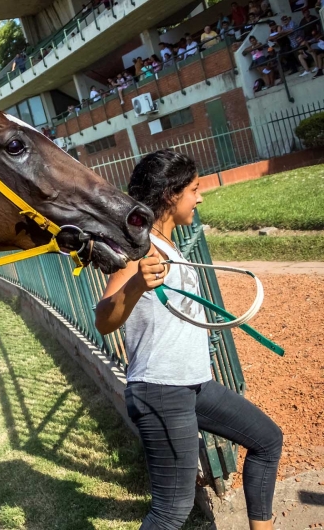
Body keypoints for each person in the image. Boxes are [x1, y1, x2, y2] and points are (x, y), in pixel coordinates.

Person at [95, 151, 282, 530]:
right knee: (171, 510)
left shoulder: (169, 244)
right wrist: (133, 285)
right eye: (194, 190)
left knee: (267, 440)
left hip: (193, 385)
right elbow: (103, 320)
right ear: (170, 195)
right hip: (160, 388)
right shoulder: (140, 248)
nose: (200, 197)